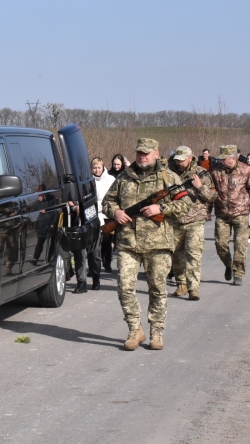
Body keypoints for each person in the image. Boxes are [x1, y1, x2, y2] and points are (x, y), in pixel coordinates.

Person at [102, 138, 192, 351]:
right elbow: (107, 201)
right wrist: (116, 212)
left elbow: (185, 204)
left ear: (156, 154)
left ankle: (156, 332)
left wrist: (161, 209)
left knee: (157, 288)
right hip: (128, 243)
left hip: (158, 244)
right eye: (139, 153)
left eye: (146, 153)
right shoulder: (124, 177)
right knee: (124, 287)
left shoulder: (168, 177)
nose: (142, 157)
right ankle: (135, 329)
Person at [168, 146, 217, 301]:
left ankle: (193, 288)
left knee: (193, 253)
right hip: (175, 220)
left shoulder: (201, 173)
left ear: (190, 158)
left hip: (195, 220)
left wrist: (200, 187)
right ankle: (181, 284)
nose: (179, 163)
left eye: (182, 160)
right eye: (177, 160)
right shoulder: (168, 172)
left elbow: (212, 197)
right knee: (177, 255)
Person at [210, 145, 250, 286]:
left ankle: (238, 273)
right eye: (221, 158)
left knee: (240, 246)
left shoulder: (246, 170)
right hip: (222, 214)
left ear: (233, 158)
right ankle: (228, 264)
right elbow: (210, 193)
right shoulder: (215, 171)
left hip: (241, 214)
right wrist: (207, 211)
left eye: (224, 158)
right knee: (220, 245)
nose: (221, 161)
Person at [90, 157, 116, 285]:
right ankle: (94, 268)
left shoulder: (110, 179)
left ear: (103, 167)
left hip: (106, 215)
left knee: (106, 242)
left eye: (99, 167)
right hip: (93, 215)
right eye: (94, 168)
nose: (97, 170)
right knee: (94, 244)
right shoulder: (89, 181)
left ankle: (107, 263)